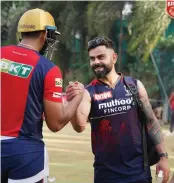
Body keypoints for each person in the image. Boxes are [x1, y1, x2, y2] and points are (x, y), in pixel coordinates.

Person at [67, 37, 170, 183]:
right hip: (106, 176)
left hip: (139, 174)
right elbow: (79, 126)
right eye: (92, 59)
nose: (96, 62)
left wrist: (163, 157)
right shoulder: (88, 92)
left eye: (101, 57)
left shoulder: (134, 86)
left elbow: (151, 122)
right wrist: (72, 102)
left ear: (114, 57)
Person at [1, 8, 84, 183]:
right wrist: (77, 98)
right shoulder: (48, 69)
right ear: (45, 34)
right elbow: (56, 123)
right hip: (26, 153)